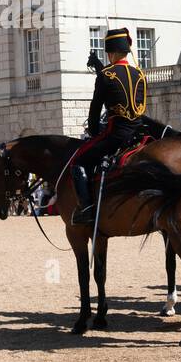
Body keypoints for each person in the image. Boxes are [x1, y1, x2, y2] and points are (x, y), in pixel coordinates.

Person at [71, 27, 147, 224]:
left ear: (111, 53)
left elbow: (95, 111)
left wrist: (95, 133)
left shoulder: (106, 75)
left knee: (78, 162)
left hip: (116, 135)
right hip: (139, 132)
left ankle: (86, 207)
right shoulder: (139, 74)